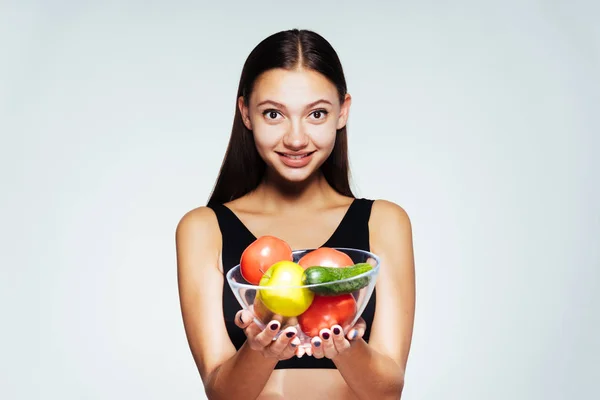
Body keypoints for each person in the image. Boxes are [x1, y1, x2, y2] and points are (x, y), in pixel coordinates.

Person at [176, 28, 416, 400]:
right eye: (274, 113)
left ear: (343, 111)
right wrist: (260, 350)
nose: (296, 138)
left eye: (316, 113)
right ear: (246, 113)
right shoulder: (203, 229)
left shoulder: (385, 222)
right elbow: (221, 393)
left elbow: (387, 392)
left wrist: (346, 345)